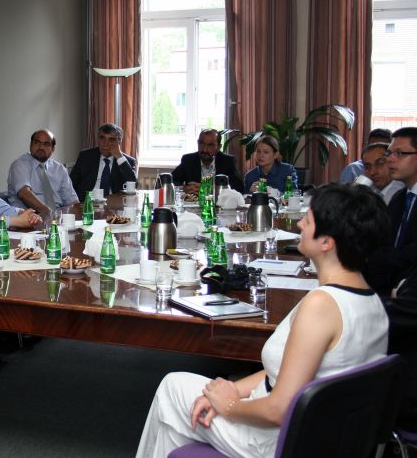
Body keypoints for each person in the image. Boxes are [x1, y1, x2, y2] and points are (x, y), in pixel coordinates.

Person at [135, 183, 390, 458]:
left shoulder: (322, 306)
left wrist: (229, 405)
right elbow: (287, 371)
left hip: (277, 439)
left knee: (171, 389)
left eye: (308, 220)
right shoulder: (373, 303)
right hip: (329, 436)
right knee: (180, 418)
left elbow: (278, 409)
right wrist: (233, 388)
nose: (300, 224)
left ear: (327, 242)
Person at [365, 127, 417, 296]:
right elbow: (384, 240)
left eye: (400, 153)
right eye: (389, 153)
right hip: (388, 285)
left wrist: (371, 257)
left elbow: (412, 254)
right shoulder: (400, 197)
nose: (390, 159)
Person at [6, 129, 78, 215]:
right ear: (30, 144)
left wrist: (78, 215)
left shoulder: (59, 169)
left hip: (58, 216)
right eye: (37, 142)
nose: (41, 147)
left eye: (46, 144)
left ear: (53, 149)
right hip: (30, 217)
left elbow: (72, 201)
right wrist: (50, 214)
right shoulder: (19, 165)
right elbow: (24, 193)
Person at [69, 123, 138, 202]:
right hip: (87, 202)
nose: (105, 144)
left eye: (111, 140)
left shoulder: (127, 161)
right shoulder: (85, 156)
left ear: (119, 142)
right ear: (98, 139)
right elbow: (71, 183)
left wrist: (119, 157)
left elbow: (133, 185)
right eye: (102, 138)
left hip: (113, 204)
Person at [171, 129, 244, 194]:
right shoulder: (188, 160)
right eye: (201, 144)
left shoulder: (227, 161)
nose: (204, 149)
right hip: (193, 203)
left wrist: (208, 189)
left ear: (219, 147)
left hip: (218, 204)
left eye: (210, 145)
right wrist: (183, 188)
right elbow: (171, 181)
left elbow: (238, 189)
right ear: (198, 143)